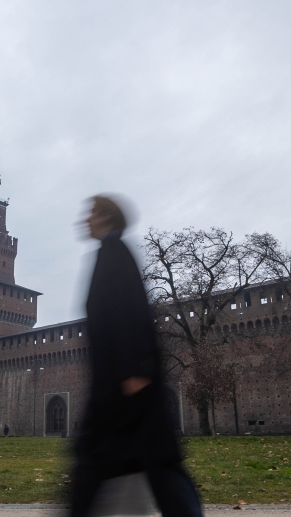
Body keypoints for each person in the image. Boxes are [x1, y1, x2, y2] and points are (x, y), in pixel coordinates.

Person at [68, 195, 202, 517]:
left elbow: (133, 312)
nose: (84, 219)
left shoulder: (114, 252)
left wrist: (135, 371)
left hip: (125, 387)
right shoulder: (108, 252)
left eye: (91, 213)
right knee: (155, 465)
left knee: (108, 466)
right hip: (121, 386)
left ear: (105, 217)